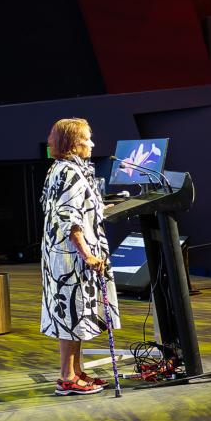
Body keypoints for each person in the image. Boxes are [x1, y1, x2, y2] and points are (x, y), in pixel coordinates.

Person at [37, 119, 122, 394]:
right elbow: (69, 220)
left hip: (65, 255)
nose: (92, 144)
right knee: (70, 316)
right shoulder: (69, 172)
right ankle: (66, 377)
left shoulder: (65, 169)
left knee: (76, 318)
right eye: (88, 138)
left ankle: (76, 371)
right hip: (70, 259)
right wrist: (87, 256)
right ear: (73, 143)